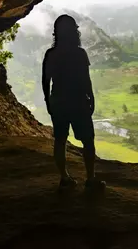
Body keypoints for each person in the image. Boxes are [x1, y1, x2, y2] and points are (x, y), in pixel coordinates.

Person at [42, 14, 105, 191]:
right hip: (78, 101)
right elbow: (86, 79)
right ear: (73, 32)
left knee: (60, 141)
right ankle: (90, 178)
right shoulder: (79, 53)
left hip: (58, 102)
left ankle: (64, 178)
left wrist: (48, 101)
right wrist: (91, 97)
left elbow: (45, 81)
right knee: (88, 141)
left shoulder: (51, 54)